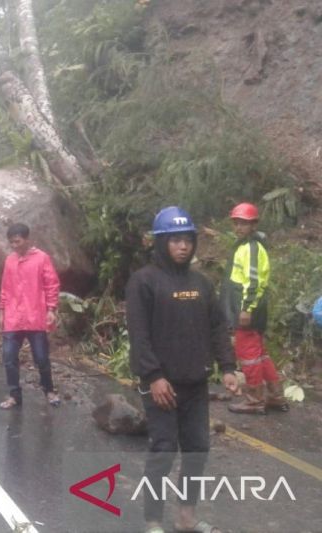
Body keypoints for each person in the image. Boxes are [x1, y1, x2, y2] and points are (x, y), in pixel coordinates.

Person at [126, 206, 238, 533]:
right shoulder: (143, 281)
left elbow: (217, 327)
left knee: (196, 451)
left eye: (187, 240)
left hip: (195, 383)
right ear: (161, 243)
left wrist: (228, 367)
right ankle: (153, 522)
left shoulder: (201, 283)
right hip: (161, 385)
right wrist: (154, 376)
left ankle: (185, 518)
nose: (182, 246)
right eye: (174, 240)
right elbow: (139, 334)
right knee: (162, 451)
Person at [222, 202, 288, 414]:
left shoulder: (251, 247)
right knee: (260, 354)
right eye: (237, 223)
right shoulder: (246, 245)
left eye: (244, 223)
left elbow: (252, 281)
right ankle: (275, 396)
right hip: (252, 308)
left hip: (249, 310)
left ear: (254, 225)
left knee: (248, 354)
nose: (240, 227)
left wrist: (246, 309)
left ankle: (254, 400)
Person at [0, 223, 61, 409]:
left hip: (35, 316)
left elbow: (52, 285)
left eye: (17, 241)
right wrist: (1, 313)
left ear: (27, 239)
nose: (14, 245)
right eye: (11, 242)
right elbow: (4, 288)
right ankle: (14, 395)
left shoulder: (42, 259)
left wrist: (51, 309)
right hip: (12, 318)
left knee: (41, 358)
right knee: (9, 358)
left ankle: (49, 390)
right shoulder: (9, 260)